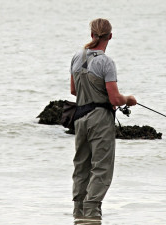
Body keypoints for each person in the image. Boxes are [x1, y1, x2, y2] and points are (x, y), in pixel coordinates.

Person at [70, 18, 137, 220]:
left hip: (79, 118)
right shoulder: (106, 62)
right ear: (110, 36)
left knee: (81, 165)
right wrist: (129, 100)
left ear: (92, 35)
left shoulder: (76, 56)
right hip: (99, 119)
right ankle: (91, 212)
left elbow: (74, 91)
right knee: (101, 167)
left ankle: (78, 212)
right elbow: (115, 98)